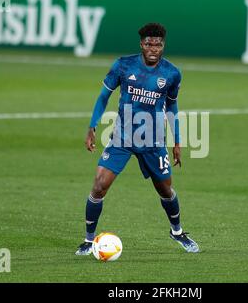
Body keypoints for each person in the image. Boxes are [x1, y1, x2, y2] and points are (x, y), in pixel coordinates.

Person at [75, 23, 199, 255]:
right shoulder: (123, 65)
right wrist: (93, 125)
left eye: (158, 44)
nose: (154, 48)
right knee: (99, 185)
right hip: (122, 137)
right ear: (142, 44)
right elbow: (104, 96)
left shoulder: (172, 73)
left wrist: (177, 141)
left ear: (163, 46)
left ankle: (177, 232)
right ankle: (89, 240)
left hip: (153, 140)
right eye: (149, 44)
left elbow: (172, 106)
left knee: (165, 190)